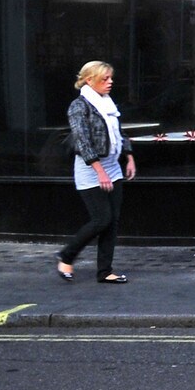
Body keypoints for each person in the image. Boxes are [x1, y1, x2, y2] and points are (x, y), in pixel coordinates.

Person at [57, 60, 134, 284]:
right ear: (89, 80)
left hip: (113, 167)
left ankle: (105, 272)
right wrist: (100, 171)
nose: (110, 82)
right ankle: (66, 256)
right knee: (102, 219)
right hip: (91, 170)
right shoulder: (79, 106)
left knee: (113, 221)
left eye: (111, 78)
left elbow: (119, 132)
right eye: (105, 78)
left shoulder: (107, 103)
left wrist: (129, 157)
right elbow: (83, 142)